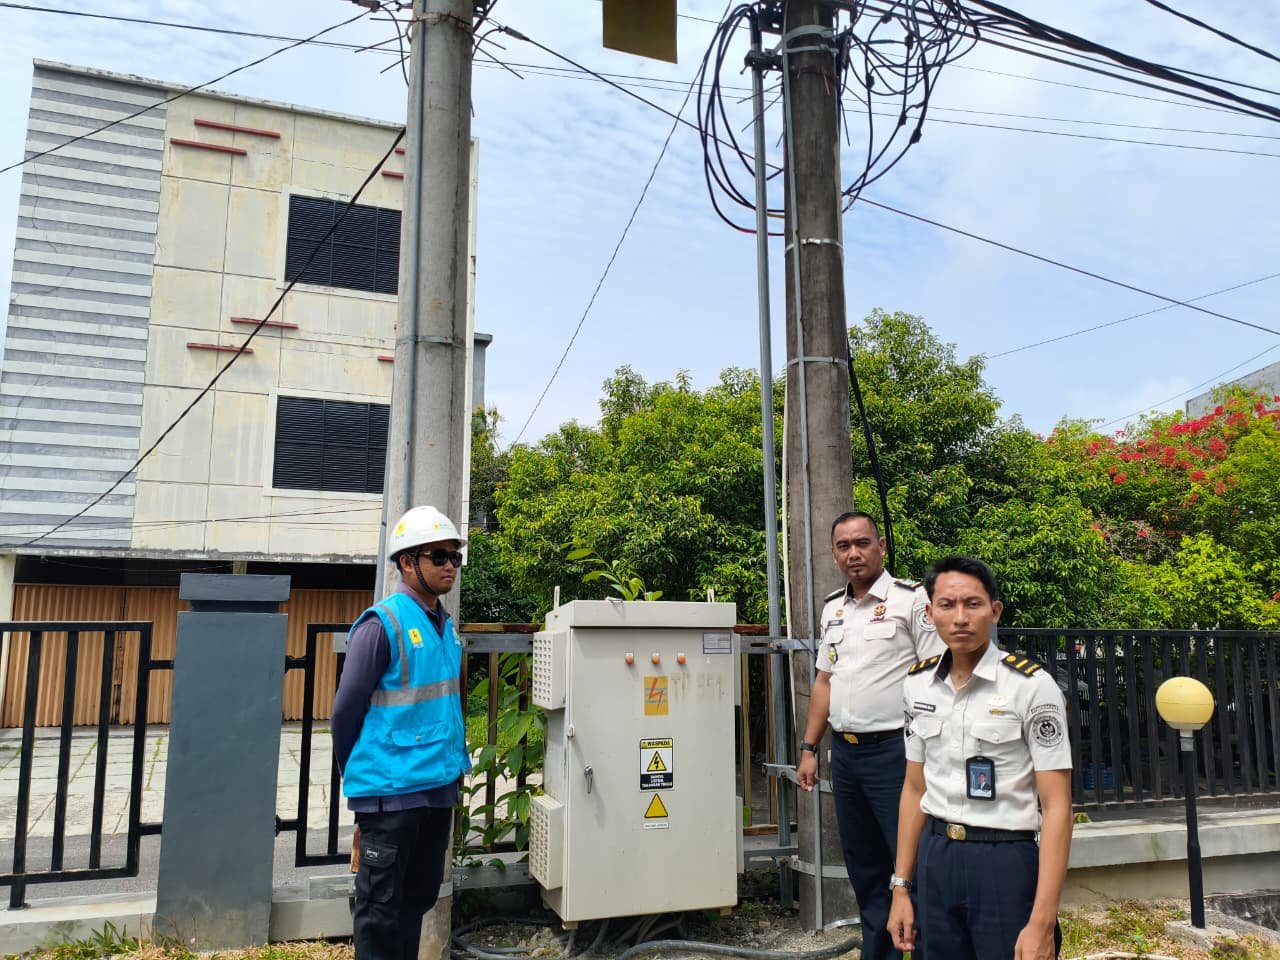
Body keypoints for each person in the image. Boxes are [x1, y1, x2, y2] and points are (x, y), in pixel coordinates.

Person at [887, 556, 1073, 960]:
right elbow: (914, 788)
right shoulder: (917, 685)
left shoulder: (1031, 688)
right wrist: (901, 886)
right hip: (936, 859)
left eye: (973, 604)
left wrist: (1042, 921)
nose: (960, 618)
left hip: (1005, 861)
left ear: (994, 610)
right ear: (929, 612)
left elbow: (1057, 805)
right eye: (947, 605)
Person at [796, 511, 943, 960]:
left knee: (911, 866)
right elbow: (825, 682)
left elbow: (939, 672)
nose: (853, 553)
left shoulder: (911, 601)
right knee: (865, 868)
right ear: (835, 553)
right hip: (846, 754)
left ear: (880, 546)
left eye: (862, 543)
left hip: (897, 754)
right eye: (843, 546)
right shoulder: (832, 609)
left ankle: (927, 950)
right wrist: (808, 748)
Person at [332, 505, 472, 960]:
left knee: (415, 903)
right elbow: (345, 713)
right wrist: (358, 771)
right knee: (380, 914)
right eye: (439, 556)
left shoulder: (445, 627)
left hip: (435, 791)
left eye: (456, 557)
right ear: (407, 563)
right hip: (391, 795)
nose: (450, 566)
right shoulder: (382, 625)